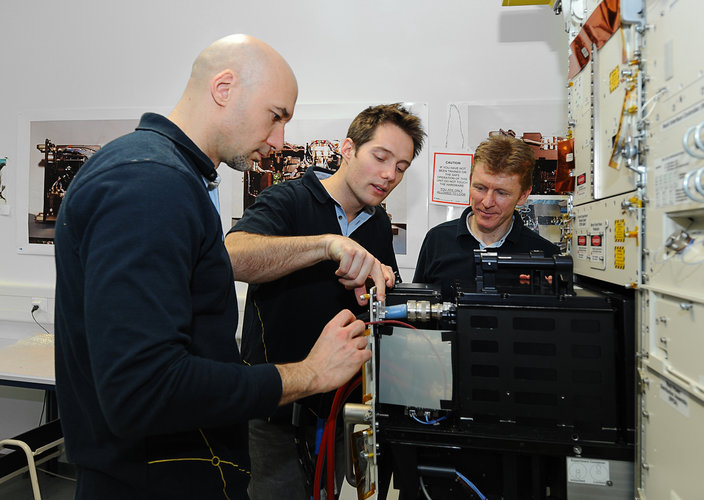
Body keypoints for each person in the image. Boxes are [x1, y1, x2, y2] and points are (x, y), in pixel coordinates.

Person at [53, 34, 371, 500]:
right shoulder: (149, 184)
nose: (279, 140)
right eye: (276, 115)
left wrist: (324, 247)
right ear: (224, 89)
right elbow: (144, 389)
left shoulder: (170, 174)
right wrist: (310, 374)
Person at [224, 103, 426, 499]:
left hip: (336, 408)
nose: (389, 175)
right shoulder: (288, 200)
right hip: (275, 408)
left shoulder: (379, 222)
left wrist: (384, 283)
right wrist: (327, 246)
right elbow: (231, 256)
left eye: (401, 167)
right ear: (348, 149)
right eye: (381, 157)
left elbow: (375, 309)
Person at [413, 134, 560, 297]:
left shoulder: (546, 255)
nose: (487, 202)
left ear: (523, 195)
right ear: (469, 181)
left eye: (501, 192)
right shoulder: (437, 240)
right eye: (480, 188)